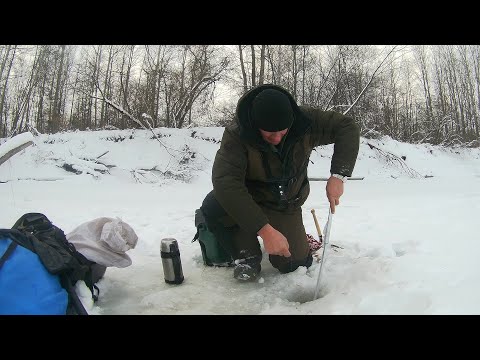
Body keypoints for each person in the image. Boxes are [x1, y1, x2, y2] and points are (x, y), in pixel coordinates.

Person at [198, 83, 360, 282]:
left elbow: (347, 127)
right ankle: (247, 255)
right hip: (250, 200)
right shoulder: (237, 134)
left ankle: (285, 242)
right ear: (255, 126)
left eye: (282, 132)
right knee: (214, 205)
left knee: (294, 264)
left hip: (285, 203)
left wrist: (339, 175)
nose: (276, 138)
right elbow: (225, 182)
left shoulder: (306, 121)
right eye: (269, 133)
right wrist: (265, 230)